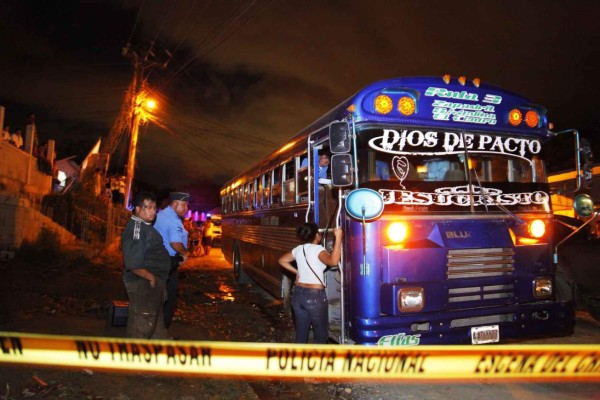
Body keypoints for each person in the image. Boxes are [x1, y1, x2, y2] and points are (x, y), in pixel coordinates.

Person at [278, 223, 342, 344]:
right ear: (316, 235)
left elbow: (282, 260)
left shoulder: (298, 249)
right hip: (315, 297)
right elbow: (333, 261)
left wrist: (297, 272)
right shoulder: (318, 250)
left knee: (301, 335)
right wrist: (338, 237)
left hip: (298, 296)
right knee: (321, 336)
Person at [121, 191, 171, 339]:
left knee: (155, 325)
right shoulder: (137, 229)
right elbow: (132, 262)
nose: (152, 211)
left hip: (153, 282)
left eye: (154, 208)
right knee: (142, 324)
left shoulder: (145, 226)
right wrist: (151, 278)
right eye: (147, 207)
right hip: (143, 283)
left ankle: (160, 353)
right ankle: (134, 356)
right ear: (137, 209)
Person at [153, 191, 190, 328]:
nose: (187, 209)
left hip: (157, 259)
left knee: (159, 294)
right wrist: (185, 253)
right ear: (175, 204)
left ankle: (156, 325)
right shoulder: (173, 220)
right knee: (170, 296)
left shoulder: (161, 215)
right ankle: (163, 328)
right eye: (184, 205)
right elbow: (175, 243)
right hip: (168, 262)